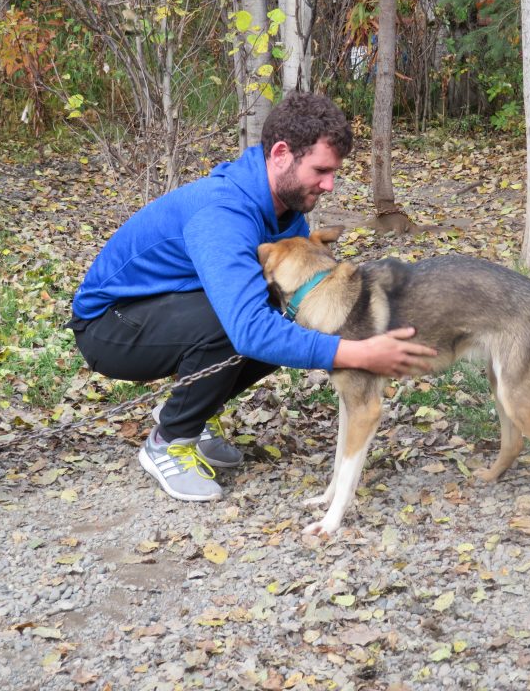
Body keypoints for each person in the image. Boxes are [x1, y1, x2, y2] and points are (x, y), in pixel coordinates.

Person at [67, 92, 436, 502]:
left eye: (333, 172)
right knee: (243, 322)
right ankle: (169, 440)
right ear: (281, 154)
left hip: (170, 308)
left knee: (285, 312)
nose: (329, 184)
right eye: (321, 170)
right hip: (110, 327)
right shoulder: (222, 213)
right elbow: (247, 330)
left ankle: (194, 414)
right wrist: (357, 354)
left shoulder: (284, 209)